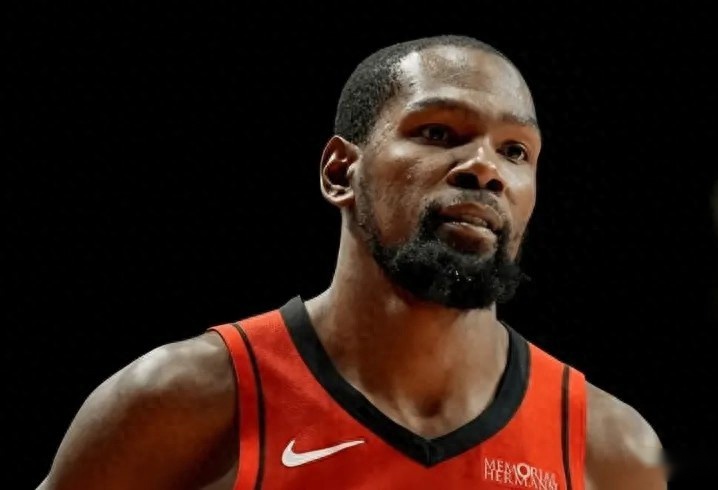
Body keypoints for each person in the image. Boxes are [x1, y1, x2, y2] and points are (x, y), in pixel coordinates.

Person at [37, 34, 668, 489]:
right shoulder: (182, 401)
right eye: (438, 133)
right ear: (341, 171)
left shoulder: (608, 449)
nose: (485, 168)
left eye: (515, 151)